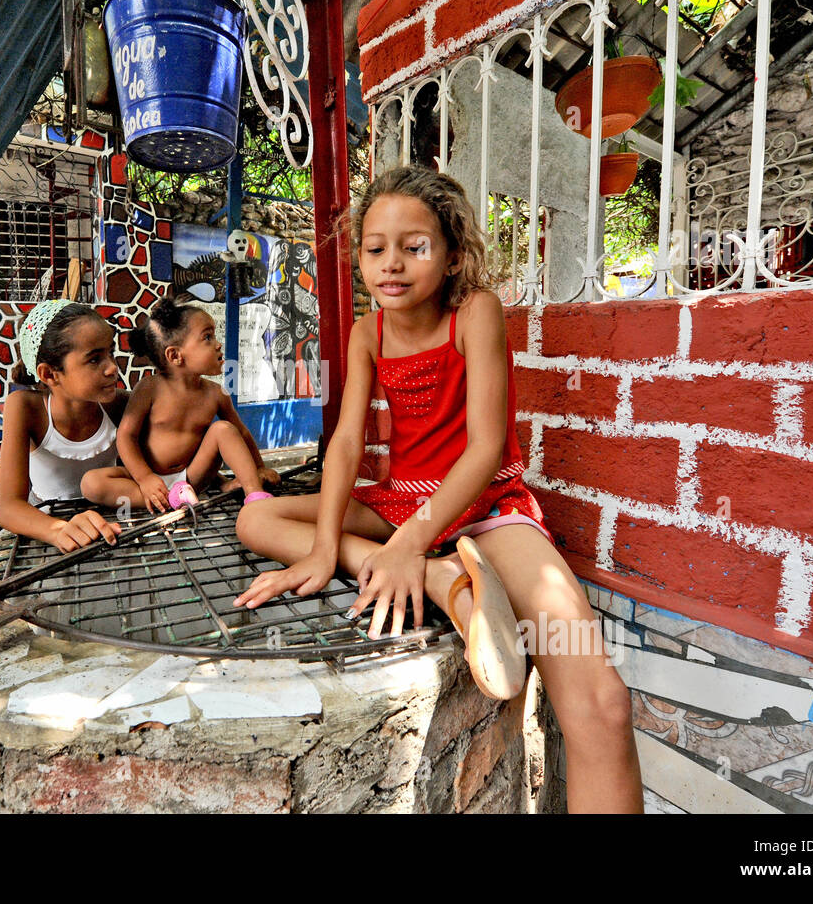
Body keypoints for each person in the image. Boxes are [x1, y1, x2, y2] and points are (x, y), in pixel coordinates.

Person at [233, 165, 643, 813]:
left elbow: (484, 449)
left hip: (485, 507)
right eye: (375, 248)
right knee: (253, 521)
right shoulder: (368, 334)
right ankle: (440, 580)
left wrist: (409, 541)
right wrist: (320, 550)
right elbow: (344, 443)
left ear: (452, 255)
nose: (391, 263)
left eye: (414, 245)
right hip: (400, 501)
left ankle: (432, 566)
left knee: (604, 703)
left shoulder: (474, 314)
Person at [82, 297, 279, 513]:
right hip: (147, 480)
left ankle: (254, 494)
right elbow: (126, 436)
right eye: (207, 337)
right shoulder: (149, 389)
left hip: (192, 476)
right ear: (175, 355)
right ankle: (168, 499)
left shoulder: (216, 394)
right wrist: (145, 478)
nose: (218, 343)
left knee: (223, 430)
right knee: (91, 483)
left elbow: (240, 433)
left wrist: (260, 467)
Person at [0, 299, 126, 552]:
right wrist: (57, 530)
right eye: (94, 359)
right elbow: (8, 507)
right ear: (49, 374)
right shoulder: (25, 408)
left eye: (111, 352)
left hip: (108, 520)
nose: (112, 367)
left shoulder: (120, 404)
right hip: (43, 523)